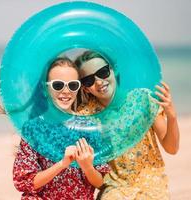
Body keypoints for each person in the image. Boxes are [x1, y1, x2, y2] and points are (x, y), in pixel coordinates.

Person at [75, 51, 180, 199]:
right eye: (88, 80)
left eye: (103, 72)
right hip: (114, 189)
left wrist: (172, 116)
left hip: (151, 184)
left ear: (114, 70)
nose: (98, 82)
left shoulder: (143, 99)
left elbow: (172, 148)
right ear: (85, 88)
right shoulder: (85, 118)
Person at [12, 57, 109, 199]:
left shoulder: (89, 128)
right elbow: (25, 182)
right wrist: (62, 164)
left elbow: (102, 183)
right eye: (58, 85)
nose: (66, 91)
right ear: (45, 89)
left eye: (72, 85)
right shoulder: (33, 129)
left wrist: (87, 167)